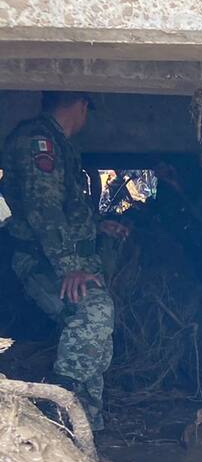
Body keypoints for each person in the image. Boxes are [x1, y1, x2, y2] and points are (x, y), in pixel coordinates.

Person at [2, 91, 127, 430]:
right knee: (94, 312)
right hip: (43, 260)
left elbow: (62, 208)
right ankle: (59, 414)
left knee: (95, 331)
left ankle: (86, 430)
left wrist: (95, 226)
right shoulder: (39, 142)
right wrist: (69, 266)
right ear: (81, 105)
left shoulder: (59, 143)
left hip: (62, 257)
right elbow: (42, 209)